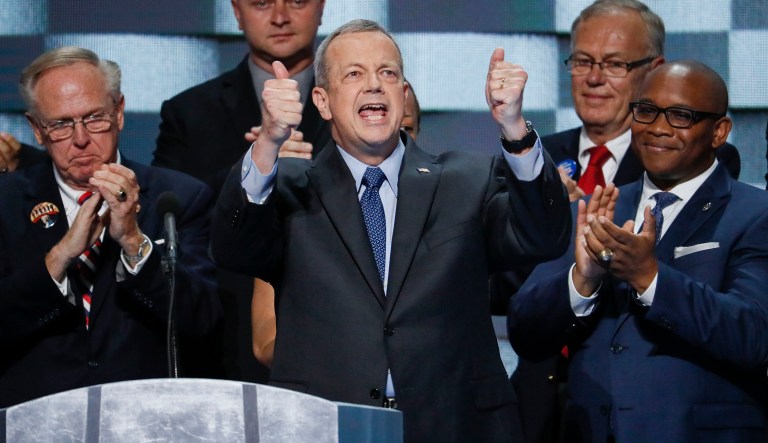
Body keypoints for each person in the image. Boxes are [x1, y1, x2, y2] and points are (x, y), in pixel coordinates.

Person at [211, 19, 571, 442]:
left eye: (387, 73)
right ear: (323, 102)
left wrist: (514, 128)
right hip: (325, 427)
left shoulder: (467, 180)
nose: (375, 85)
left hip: (455, 425)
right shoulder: (289, 188)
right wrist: (269, 141)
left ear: (403, 95)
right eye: (354, 74)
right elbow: (232, 250)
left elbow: (544, 237)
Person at [500, 2, 739, 441]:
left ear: (655, 68)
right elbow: (506, 280)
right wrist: (553, 221)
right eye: (583, 61)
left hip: (650, 408)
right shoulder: (529, 161)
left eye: (613, 64)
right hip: (541, 408)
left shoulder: (689, 156)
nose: (594, 78)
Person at [0, 47, 222, 408]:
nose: (81, 138)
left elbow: (203, 319)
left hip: (148, 416)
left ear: (119, 113)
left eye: (94, 118)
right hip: (37, 417)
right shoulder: (5, 204)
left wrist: (134, 242)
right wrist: (58, 259)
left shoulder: (177, 198)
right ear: (37, 130)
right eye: (60, 124)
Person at [152, 0, 329, 382]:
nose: (280, 17)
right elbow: (166, 212)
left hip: (338, 340)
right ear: (235, 11)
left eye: (297, 1)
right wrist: (256, 163)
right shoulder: (189, 112)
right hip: (222, 345)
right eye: (261, 3)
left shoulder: (357, 106)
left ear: (322, 6)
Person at [247, 80, 424, 369]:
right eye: (367, 118)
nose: (386, 136)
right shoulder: (296, 218)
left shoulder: (449, 207)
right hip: (333, 400)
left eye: (405, 129)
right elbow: (265, 345)